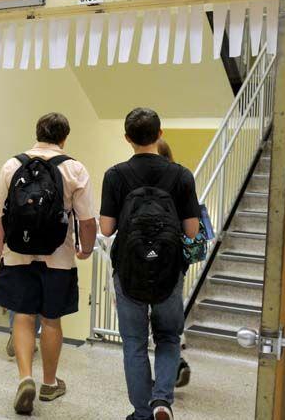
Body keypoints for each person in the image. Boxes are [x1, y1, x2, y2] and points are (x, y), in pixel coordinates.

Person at [0, 112, 97, 415]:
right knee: (51, 320)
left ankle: (25, 378)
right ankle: (49, 383)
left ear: (37, 133)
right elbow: (87, 220)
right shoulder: (74, 169)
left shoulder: (13, 165)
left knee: (23, 317)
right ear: (64, 137)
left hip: (17, 254)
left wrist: (3, 248)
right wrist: (85, 249)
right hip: (59, 258)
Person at [100, 108, 199, 420]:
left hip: (129, 270)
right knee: (168, 338)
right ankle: (161, 402)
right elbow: (192, 230)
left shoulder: (115, 175)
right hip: (169, 272)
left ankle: (142, 413)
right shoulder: (181, 175)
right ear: (160, 134)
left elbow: (106, 228)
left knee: (134, 342)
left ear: (128, 138)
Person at [157, 138, 192, 389]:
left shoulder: (130, 178)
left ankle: (155, 381)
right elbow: (191, 228)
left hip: (137, 263)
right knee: (169, 327)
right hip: (172, 261)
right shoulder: (182, 178)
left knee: (138, 330)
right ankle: (172, 367)